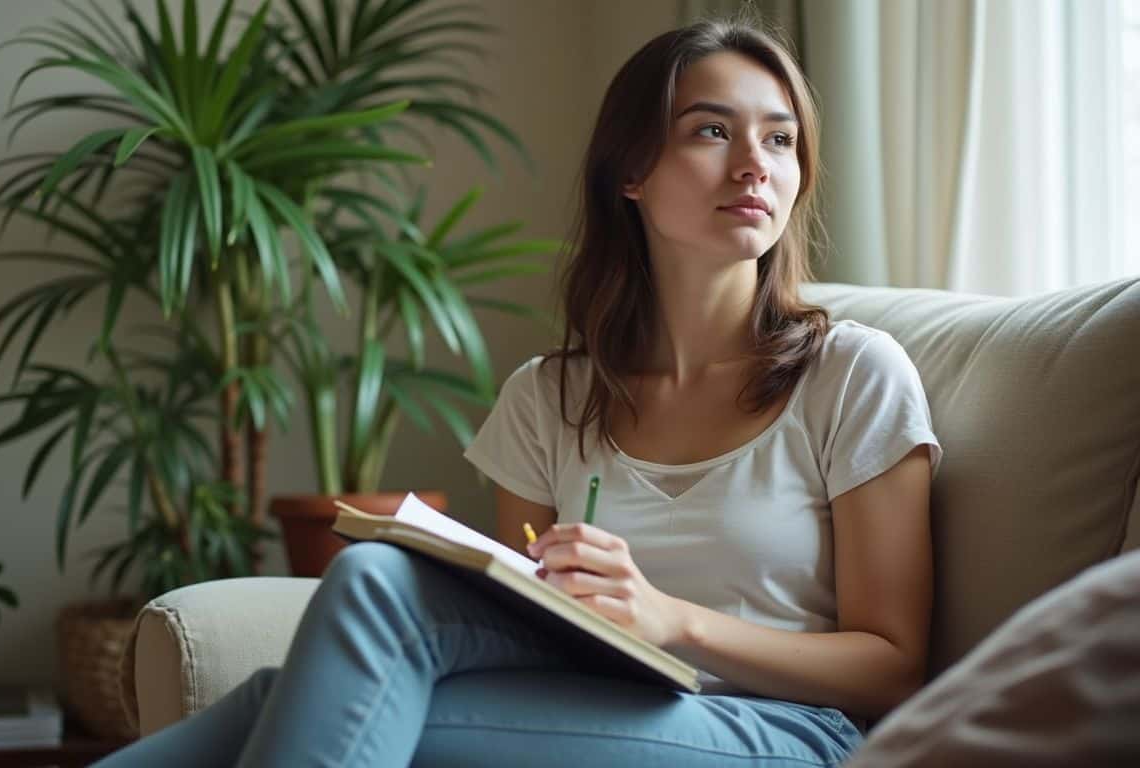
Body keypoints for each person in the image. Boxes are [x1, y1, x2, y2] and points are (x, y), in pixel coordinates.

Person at [94, 17, 942, 768]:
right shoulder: (548, 399)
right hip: (604, 708)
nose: (755, 165)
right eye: (712, 131)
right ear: (631, 174)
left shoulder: (854, 376)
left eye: (782, 139)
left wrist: (668, 618)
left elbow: (895, 663)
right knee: (369, 583)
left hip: (789, 733)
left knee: (326, 704)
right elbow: (534, 639)